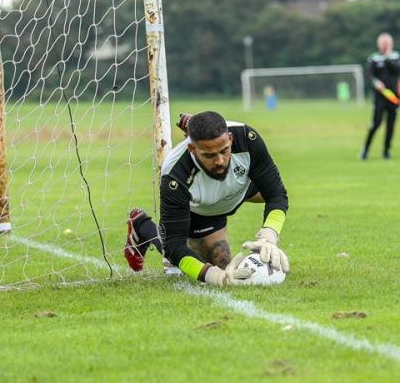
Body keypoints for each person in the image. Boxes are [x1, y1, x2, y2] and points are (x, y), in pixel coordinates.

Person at [123, 111, 290, 286]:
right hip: (204, 210)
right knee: (222, 264)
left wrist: (269, 236)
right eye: (209, 155)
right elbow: (174, 246)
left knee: (271, 189)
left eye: (224, 151)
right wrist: (215, 276)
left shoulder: (247, 139)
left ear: (231, 139)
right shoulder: (175, 176)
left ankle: (193, 126)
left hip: (239, 188)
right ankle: (142, 224)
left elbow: (277, 195)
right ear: (192, 149)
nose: (220, 161)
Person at [360, 32, 400, 160]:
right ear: (379, 44)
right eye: (383, 43)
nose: (385, 45)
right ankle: (365, 149)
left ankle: (386, 151)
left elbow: (397, 70)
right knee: (376, 123)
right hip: (379, 97)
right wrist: (375, 82)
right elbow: (369, 75)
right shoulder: (374, 58)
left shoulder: (395, 57)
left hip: (393, 96)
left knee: (391, 125)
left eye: (387, 43)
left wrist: (387, 57)